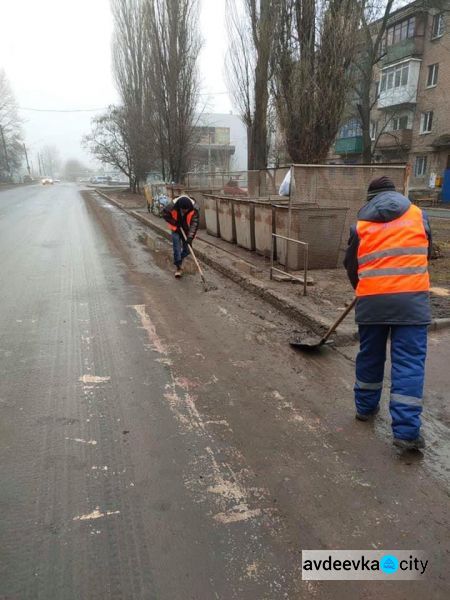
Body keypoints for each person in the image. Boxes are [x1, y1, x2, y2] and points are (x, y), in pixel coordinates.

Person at [344, 176, 432, 450]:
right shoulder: (419, 215)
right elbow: (424, 252)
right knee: (408, 363)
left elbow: (351, 264)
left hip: (371, 300)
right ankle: (406, 434)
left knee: (370, 355)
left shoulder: (360, 225)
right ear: (396, 193)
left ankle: (365, 409)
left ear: (370, 199)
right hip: (412, 301)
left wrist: (363, 288)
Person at [163, 195, 199, 278]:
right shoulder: (172, 205)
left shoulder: (195, 209)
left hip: (186, 230)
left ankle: (178, 260)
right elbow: (164, 214)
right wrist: (174, 222)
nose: (184, 211)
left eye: (186, 210)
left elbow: (194, 224)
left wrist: (190, 238)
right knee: (177, 248)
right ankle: (178, 268)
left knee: (187, 250)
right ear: (179, 207)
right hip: (176, 229)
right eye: (182, 210)